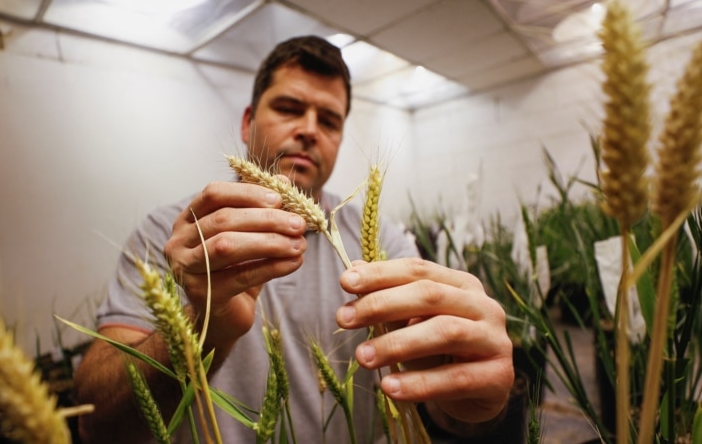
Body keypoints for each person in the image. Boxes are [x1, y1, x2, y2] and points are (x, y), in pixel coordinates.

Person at [74, 35, 514, 444]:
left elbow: (437, 404)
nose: (309, 129)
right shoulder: (171, 235)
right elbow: (96, 421)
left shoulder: (381, 238)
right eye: (288, 107)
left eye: (329, 120)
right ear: (247, 123)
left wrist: (474, 394)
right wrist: (201, 329)